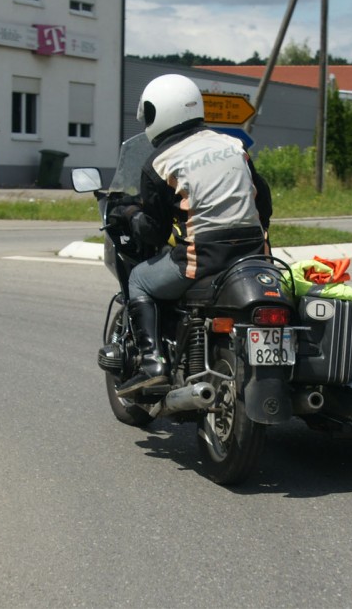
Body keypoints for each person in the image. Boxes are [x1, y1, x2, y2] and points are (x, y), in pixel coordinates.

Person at [115, 74, 272, 396]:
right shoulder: (233, 145)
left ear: (157, 112)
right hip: (254, 255)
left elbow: (155, 231)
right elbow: (264, 198)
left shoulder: (160, 162)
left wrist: (130, 214)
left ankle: (151, 362)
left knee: (140, 280)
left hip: (203, 258)